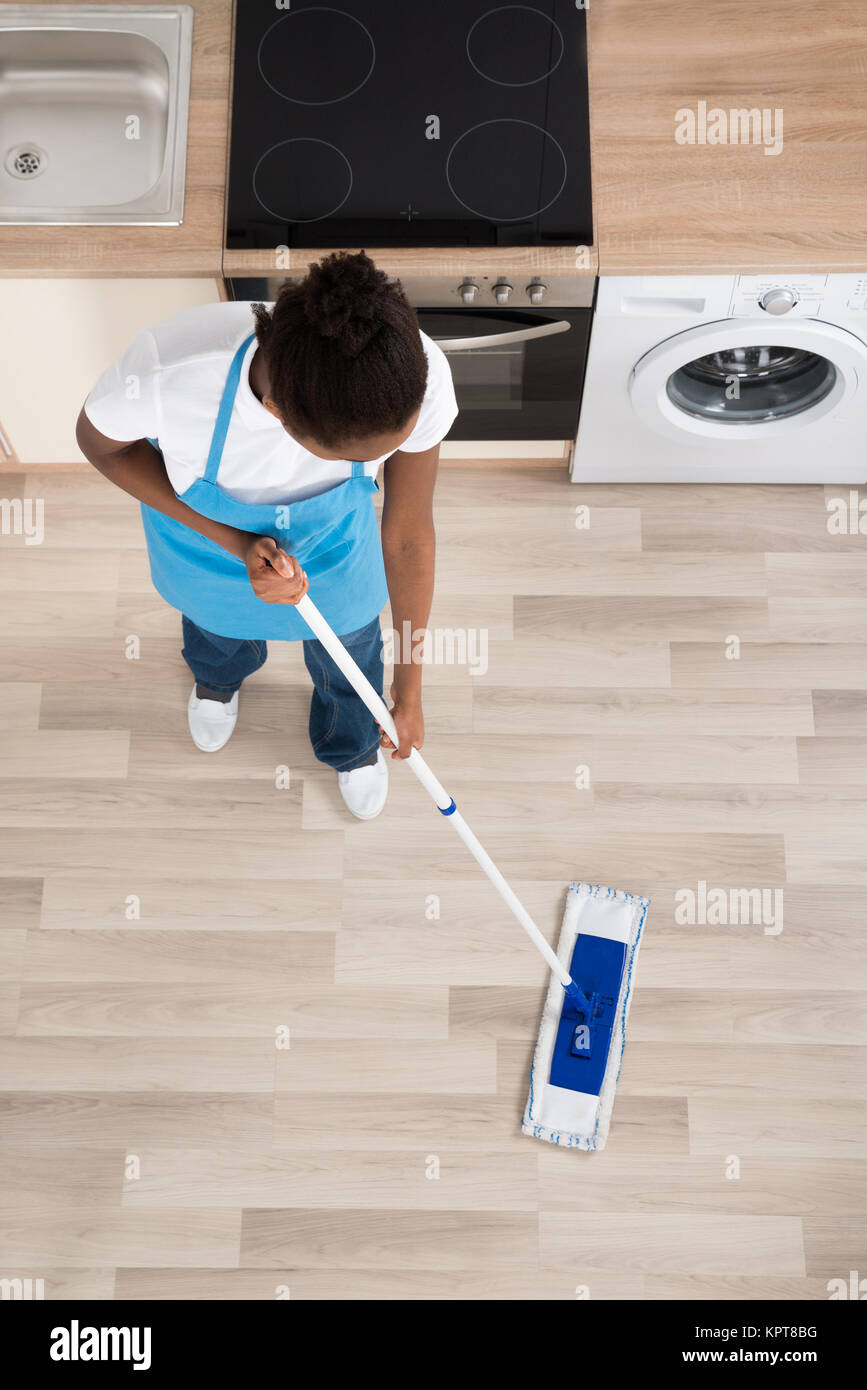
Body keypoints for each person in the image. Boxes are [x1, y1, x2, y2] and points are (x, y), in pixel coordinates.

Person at [76, 251, 458, 819]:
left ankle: (351, 746)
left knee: (351, 661)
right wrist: (234, 543)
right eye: (360, 459)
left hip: (336, 558)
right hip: (205, 555)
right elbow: (100, 445)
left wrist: (410, 687)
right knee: (215, 641)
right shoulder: (168, 374)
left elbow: (406, 537)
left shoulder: (411, 374)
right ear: (278, 413)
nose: (380, 467)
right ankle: (217, 684)